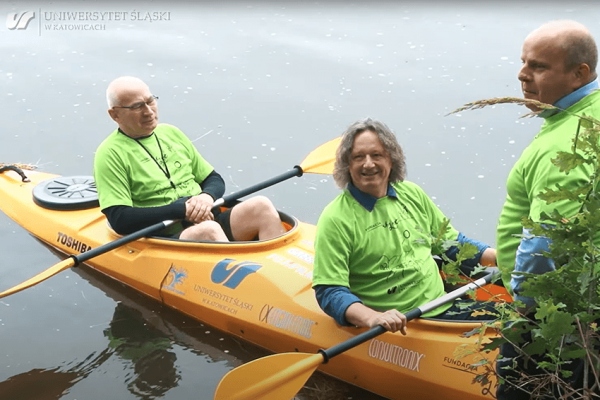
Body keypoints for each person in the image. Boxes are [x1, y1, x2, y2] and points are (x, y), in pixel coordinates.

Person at [312, 118, 498, 335]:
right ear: (347, 165)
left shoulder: (411, 193)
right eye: (358, 157)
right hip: (403, 323)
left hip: (447, 304)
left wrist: (500, 257)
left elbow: (451, 244)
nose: (368, 164)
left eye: (377, 155)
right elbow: (330, 291)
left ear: (391, 159)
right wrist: (373, 317)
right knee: (521, 333)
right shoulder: (335, 219)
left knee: (522, 318)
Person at [495, 20, 600, 399]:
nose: (522, 74)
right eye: (523, 62)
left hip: (555, 324)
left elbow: (546, 243)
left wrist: (525, 313)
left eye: (538, 66)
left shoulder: (567, 145)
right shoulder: (592, 113)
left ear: (579, 73)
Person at [93, 76, 285, 242]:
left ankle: (279, 272)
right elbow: (120, 219)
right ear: (115, 114)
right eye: (137, 106)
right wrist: (180, 210)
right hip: (165, 236)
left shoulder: (171, 133)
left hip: (205, 219)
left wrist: (205, 197)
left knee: (262, 205)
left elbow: (213, 179)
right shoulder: (109, 153)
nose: (149, 112)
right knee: (210, 231)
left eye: (150, 101)